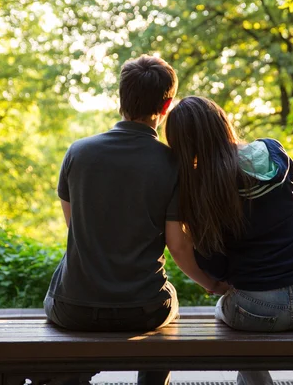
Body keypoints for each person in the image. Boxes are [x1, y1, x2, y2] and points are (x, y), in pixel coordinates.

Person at [43, 56, 224, 385]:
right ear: (166, 104)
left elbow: (77, 228)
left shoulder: (78, 153)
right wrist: (213, 284)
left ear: (120, 98)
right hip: (144, 310)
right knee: (170, 300)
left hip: (73, 307)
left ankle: (73, 378)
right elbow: (178, 246)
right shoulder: (172, 163)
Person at [165, 96, 293, 385]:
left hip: (257, 309)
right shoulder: (272, 151)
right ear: (221, 122)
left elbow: (212, 262)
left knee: (224, 311)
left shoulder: (198, 187)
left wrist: (219, 284)